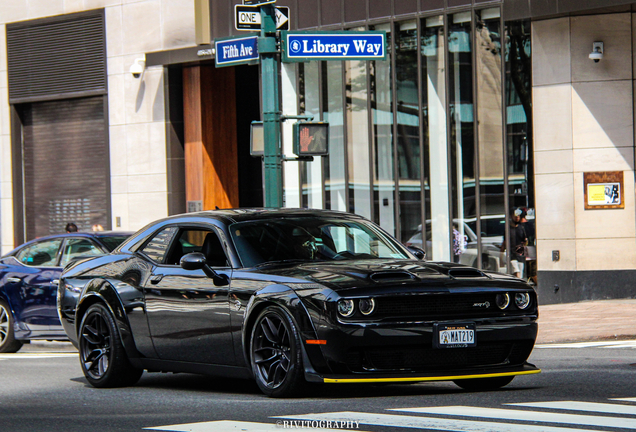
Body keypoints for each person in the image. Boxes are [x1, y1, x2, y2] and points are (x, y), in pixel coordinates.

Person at [500, 208, 527, 279]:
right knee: (516, 270)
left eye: (518, 216)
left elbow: (525, 241)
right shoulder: (508, 229)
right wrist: (501, 258)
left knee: (520, 273)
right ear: (511, 216)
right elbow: (504, 243)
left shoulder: (521, 228)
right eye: (515, 215)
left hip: (520, 254)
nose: (517, 217)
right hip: (511, 255)